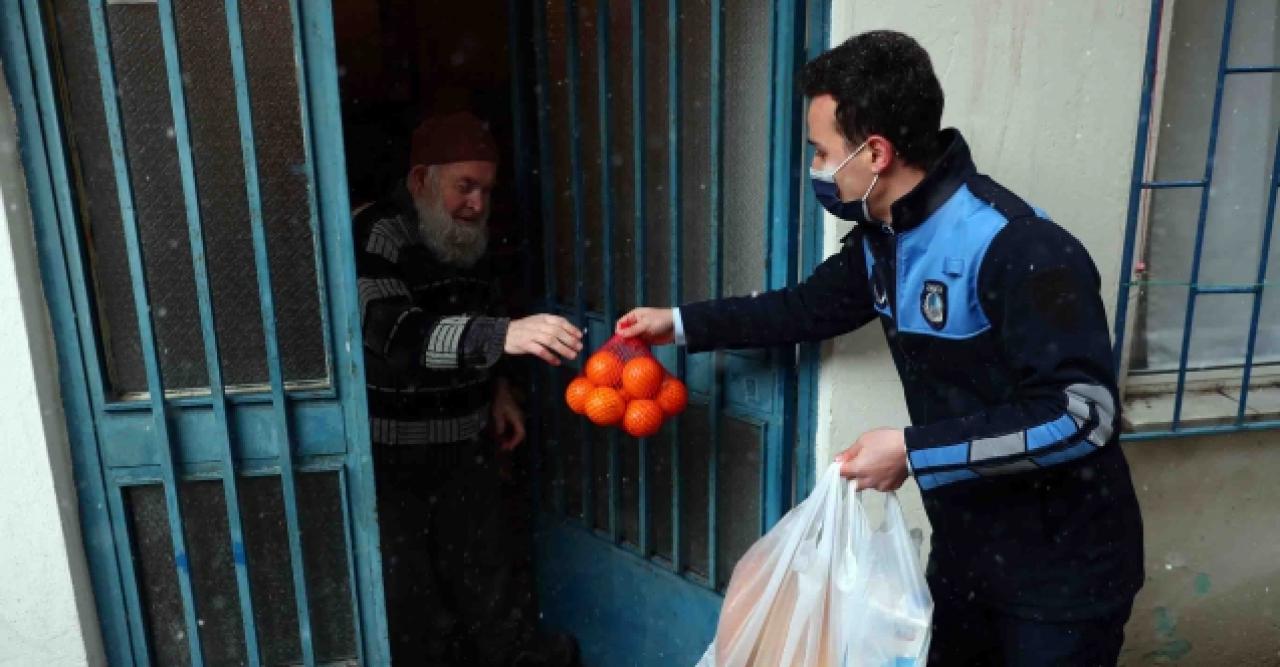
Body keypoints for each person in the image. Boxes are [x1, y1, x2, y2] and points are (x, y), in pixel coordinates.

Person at [617, 31, 1144, 666]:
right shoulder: (884, 239)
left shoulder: (1018, 246)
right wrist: (672, 323)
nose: (814, 167)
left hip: (1062, 572)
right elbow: (806, 308)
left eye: (820, 151)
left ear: (876, 152)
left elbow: (1081, 416)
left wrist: (911, 450)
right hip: (964, 558)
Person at [355, 111, 582, 666]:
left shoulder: (467, 238)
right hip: (390, 453)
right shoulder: (377, 233)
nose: (477, 204)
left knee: (488, 577)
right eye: (465, 186)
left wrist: (499, 390)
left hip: (464, 444)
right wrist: (504, 337)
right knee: (408, 597)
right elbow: (396, 335)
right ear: (419, 181)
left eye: (485, 189)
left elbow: (483, 309)